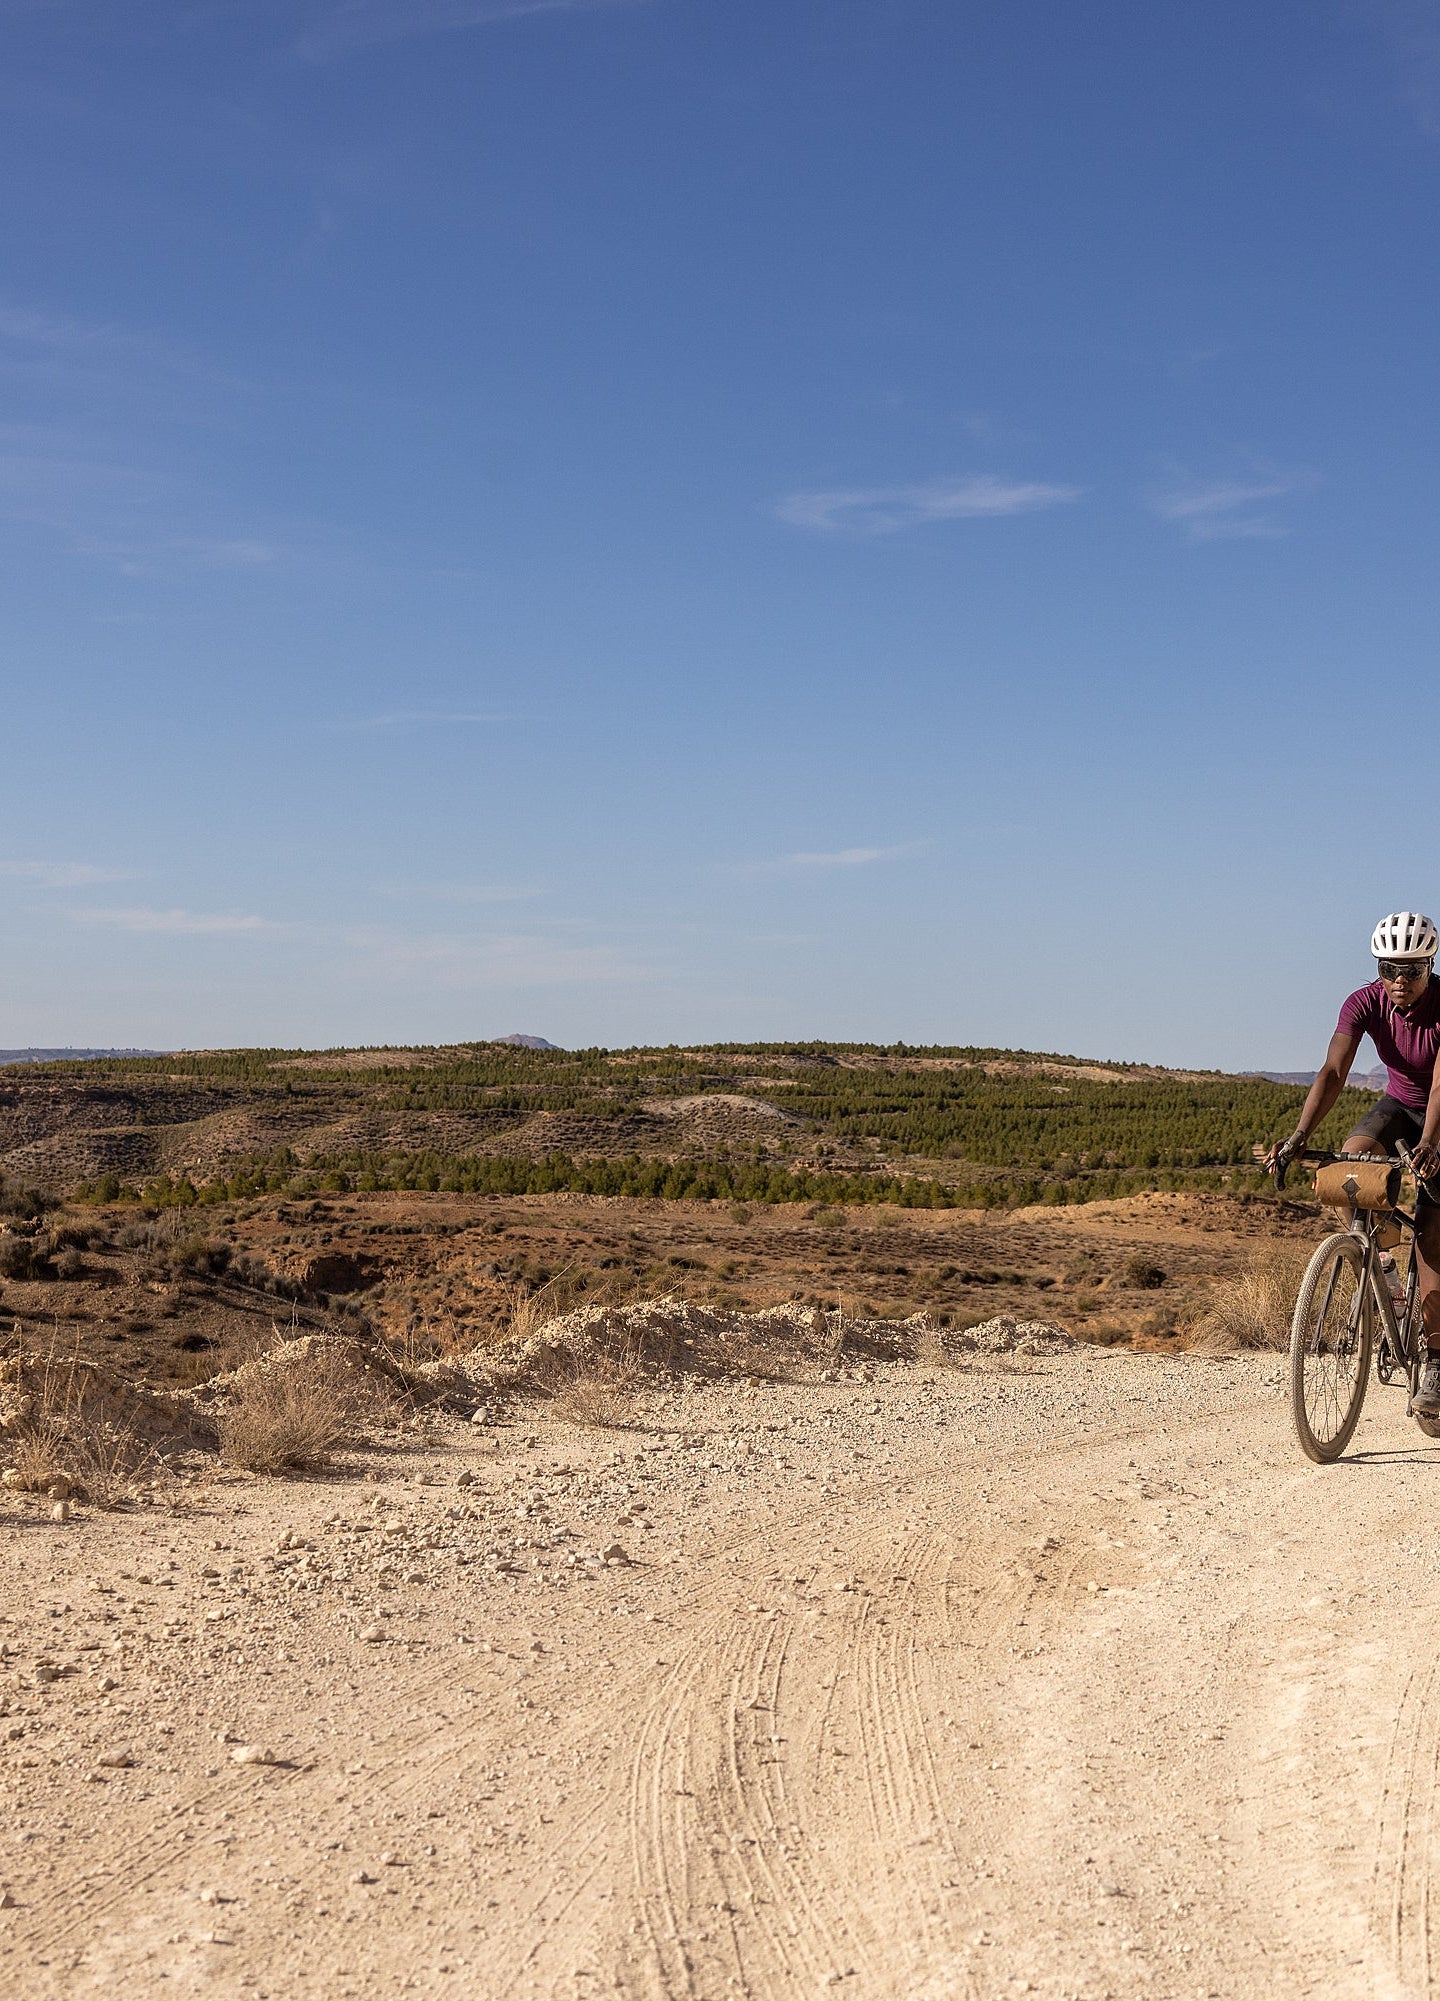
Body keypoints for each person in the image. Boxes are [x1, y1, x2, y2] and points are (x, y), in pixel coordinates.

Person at [1266, 911, 1440, 1413]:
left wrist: (1429, 1144)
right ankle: (1381, 1260)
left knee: (1432, 1233)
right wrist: (1300, 1135)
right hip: (1400, 1104)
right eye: (1390, 969)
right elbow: (1334, 1069)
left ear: (1430, 966)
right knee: (1352, 1163)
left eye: (1412, 970)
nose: (1400, 981)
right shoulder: (1364, 1002)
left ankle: (1436, 1360)